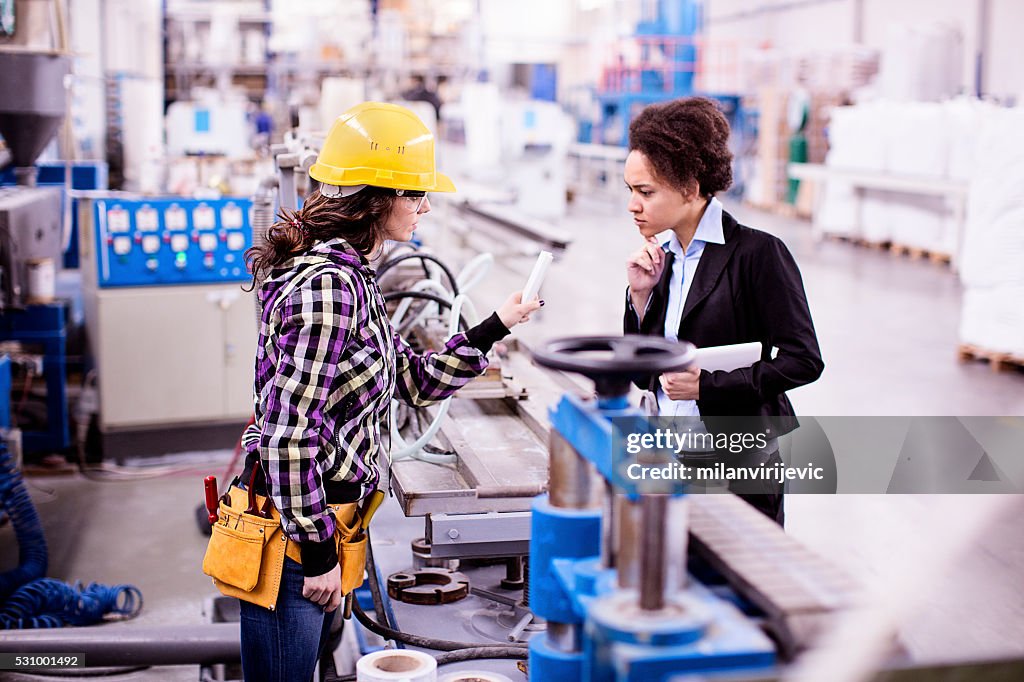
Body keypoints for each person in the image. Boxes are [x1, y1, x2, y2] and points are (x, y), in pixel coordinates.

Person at [238, 102, 541, 681]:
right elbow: (286, 437)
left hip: (325, 521)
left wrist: (496, 324)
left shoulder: (353, 276)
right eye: (415, 193)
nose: (426, 206)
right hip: (298, 538)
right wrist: (321, 555)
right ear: (374, 197)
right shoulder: (329, 287)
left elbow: (413, 381)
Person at [622, 97, 823, 525]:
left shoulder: (758, 254)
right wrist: (640, 299)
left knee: (736, 577)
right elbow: (642, 374)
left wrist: (706, 387)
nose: (632, 205)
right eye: (630, 191)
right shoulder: (663, 259)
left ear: (691, 188)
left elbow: (803, 360)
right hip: (667, 450)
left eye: (645, 192)